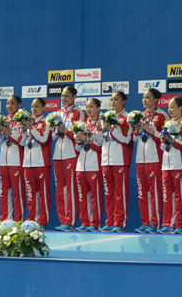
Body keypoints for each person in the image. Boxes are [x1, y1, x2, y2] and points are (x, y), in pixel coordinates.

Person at [134, 88, 168, 233]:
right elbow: (134, 138)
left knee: (155, 193)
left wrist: (150, 130)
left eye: (148, 97)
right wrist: (137, 129)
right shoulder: (140, 116)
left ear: (155, 100)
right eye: (143, 97)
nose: (144, 100)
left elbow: (165, 137)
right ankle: (145, 222)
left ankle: (155, 222)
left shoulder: (162, 115)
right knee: (142, 193)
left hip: (154, 158)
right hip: (140, 159)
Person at [99, 91, 133, 233]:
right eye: (111, 99)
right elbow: (100, 141)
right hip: (106, 160)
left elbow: (127, 140)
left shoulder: (128, 118)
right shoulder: (106, 117)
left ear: (123, 101)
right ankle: (110, 221)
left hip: (120, 160)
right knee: (108, 194)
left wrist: (112, 129)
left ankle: (119, 222)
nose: (113, 102)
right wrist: (101, 130)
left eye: (116, 99)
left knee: (120, 193)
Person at [158, 96, 182, 234]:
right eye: (168, 107)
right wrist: (164, 141)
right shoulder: (167, 124)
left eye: (172, 107)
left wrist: (173, 141)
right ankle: (168, 223)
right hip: (166, 165)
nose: (169, 110)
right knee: (167, 197)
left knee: (180, 197)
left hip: (179, 165)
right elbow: (162, 147)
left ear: (180, 108)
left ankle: (180, 224)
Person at [53, 86, 84, 231]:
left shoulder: (79, 112)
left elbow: (79, 134)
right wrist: (56, 131)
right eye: (62, 95)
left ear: (74, 96)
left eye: (66, 95)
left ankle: (70, 221)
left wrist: (66, 131)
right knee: (60, 190)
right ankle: (62, 220)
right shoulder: (57, 113)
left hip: (71, 154)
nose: (64, 98)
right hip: (57, 155)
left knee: (71, 190)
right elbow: (52, 137)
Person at [20, 98, 51, 227]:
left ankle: (42, 221)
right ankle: (32, 218)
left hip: (41, 163)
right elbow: (21, 142)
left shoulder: (47, 122)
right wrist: (24, 130)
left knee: (43, 194)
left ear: (43, 108)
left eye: (37, 106)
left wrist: (31, 128)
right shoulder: (28, 122)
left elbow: (43, 140)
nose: (34, 109)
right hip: (27, 163)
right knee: (30, 194)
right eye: (32, 107)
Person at [74, 98, 103, 232]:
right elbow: (77, 148)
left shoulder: (101, 125)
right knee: (82, 196)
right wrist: (80, 141)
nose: (88, 109)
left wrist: (88, 140)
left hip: (94, 165)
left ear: (98, 108)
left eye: (91, 106)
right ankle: (84, 222)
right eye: (86, 107)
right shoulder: (82, 125)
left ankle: (95, 223)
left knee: (95, 197)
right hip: (80, 165)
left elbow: (101, 147)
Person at [0, 95, 25, 221]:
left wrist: (9, 134)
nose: (9, 106)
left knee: (18, 193)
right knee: (3, 193)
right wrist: (1, 134)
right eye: (7, 103)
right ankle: (5, 220)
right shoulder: (3, 120)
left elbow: (22, 141)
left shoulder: (22, 120)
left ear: (19, 104)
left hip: (16, 160)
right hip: (3, 161)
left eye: (12, 103)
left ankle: (18, 220)